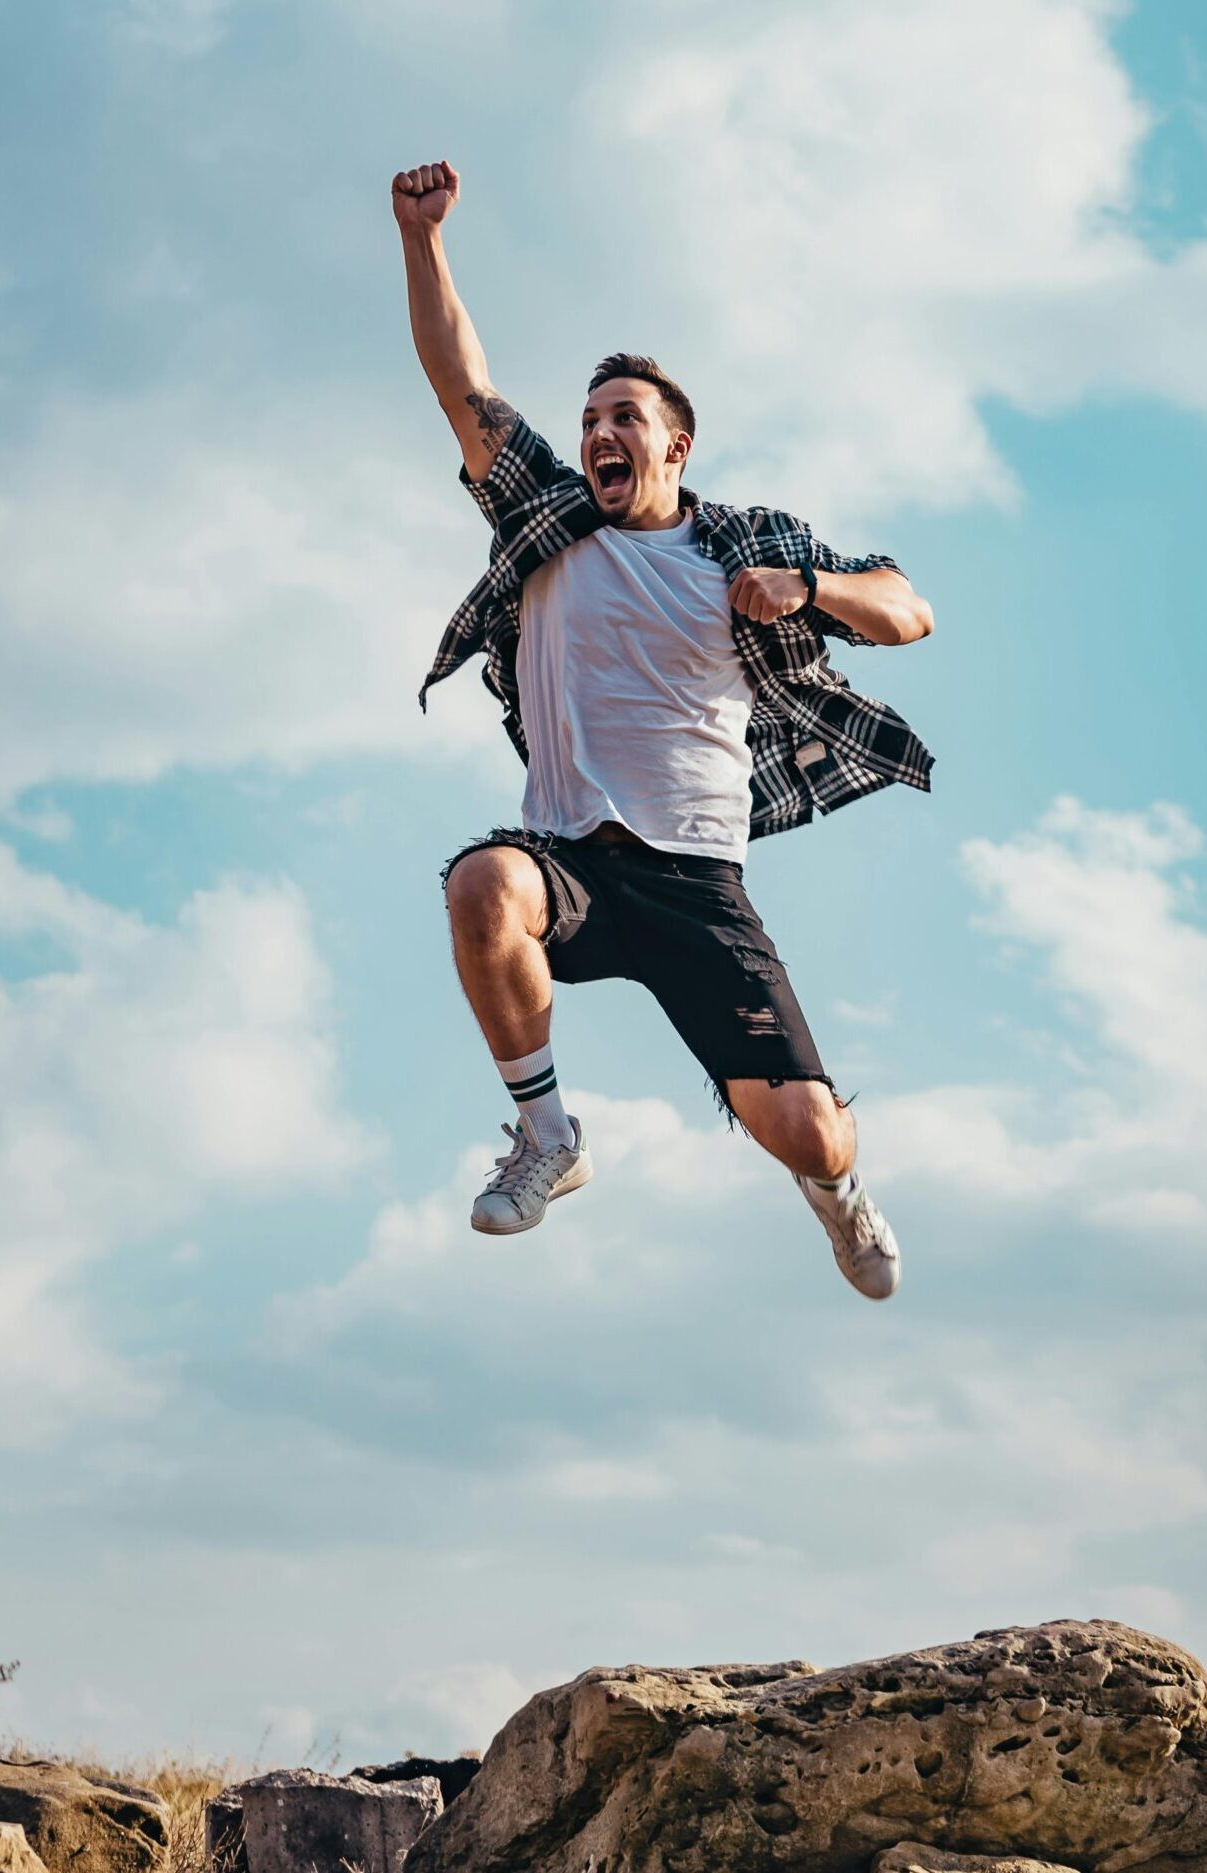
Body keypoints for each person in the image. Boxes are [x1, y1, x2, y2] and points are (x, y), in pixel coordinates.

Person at [394, 159, 937, 1299]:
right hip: (571, 860)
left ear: (675, 447)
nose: (598, 431)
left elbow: (908, 608)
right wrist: (423, 239)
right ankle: (548, 1137)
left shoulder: (740, 543)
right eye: (590, 417)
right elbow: (461, 384)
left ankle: (835, 1193)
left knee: (812, 1132)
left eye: (623, 418)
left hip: (698, 883)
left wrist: (808, 586)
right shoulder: (546, 513)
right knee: (482, 886)